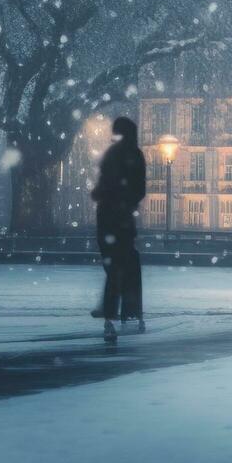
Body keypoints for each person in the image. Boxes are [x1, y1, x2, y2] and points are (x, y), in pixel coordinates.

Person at [91, 116, 147, 342]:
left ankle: (110, 311)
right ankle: (127, 311)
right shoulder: (134, 155)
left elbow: (102, 187)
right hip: (122, 218)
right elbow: (138, 189)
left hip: (107, 218)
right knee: (125, 264)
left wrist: (106, 196)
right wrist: (126, 202)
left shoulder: (112, 155)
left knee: (113, 266)